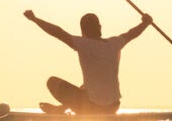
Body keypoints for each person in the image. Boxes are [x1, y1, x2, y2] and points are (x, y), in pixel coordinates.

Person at [23, 9, 152, 114]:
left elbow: (57, 32)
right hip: (113, 106)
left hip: (91, 107)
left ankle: (64, 109)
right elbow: (132, 33)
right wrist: (146, 23)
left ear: (82, 31)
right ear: (100, 27)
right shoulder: (115, 43)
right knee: (85, 86)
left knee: (52, 82)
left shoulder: (83, 43)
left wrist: (35, 19)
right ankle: (61, 109)